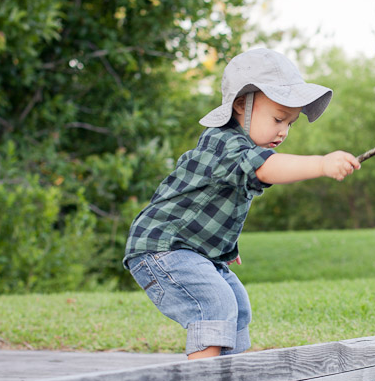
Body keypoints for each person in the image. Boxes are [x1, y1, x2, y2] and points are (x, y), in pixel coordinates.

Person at [123, 48, 361, 360]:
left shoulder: (239, 146)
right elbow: (265, 167)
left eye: (290, 123)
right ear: (240, 105)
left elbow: (209, 204)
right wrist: (321, 164)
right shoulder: (226, 143)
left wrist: (224, 247)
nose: (283, 131)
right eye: (278, 119)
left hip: (192, 250)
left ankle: (233, 380)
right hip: (161, 249)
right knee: (214, 303)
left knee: (237, 303)